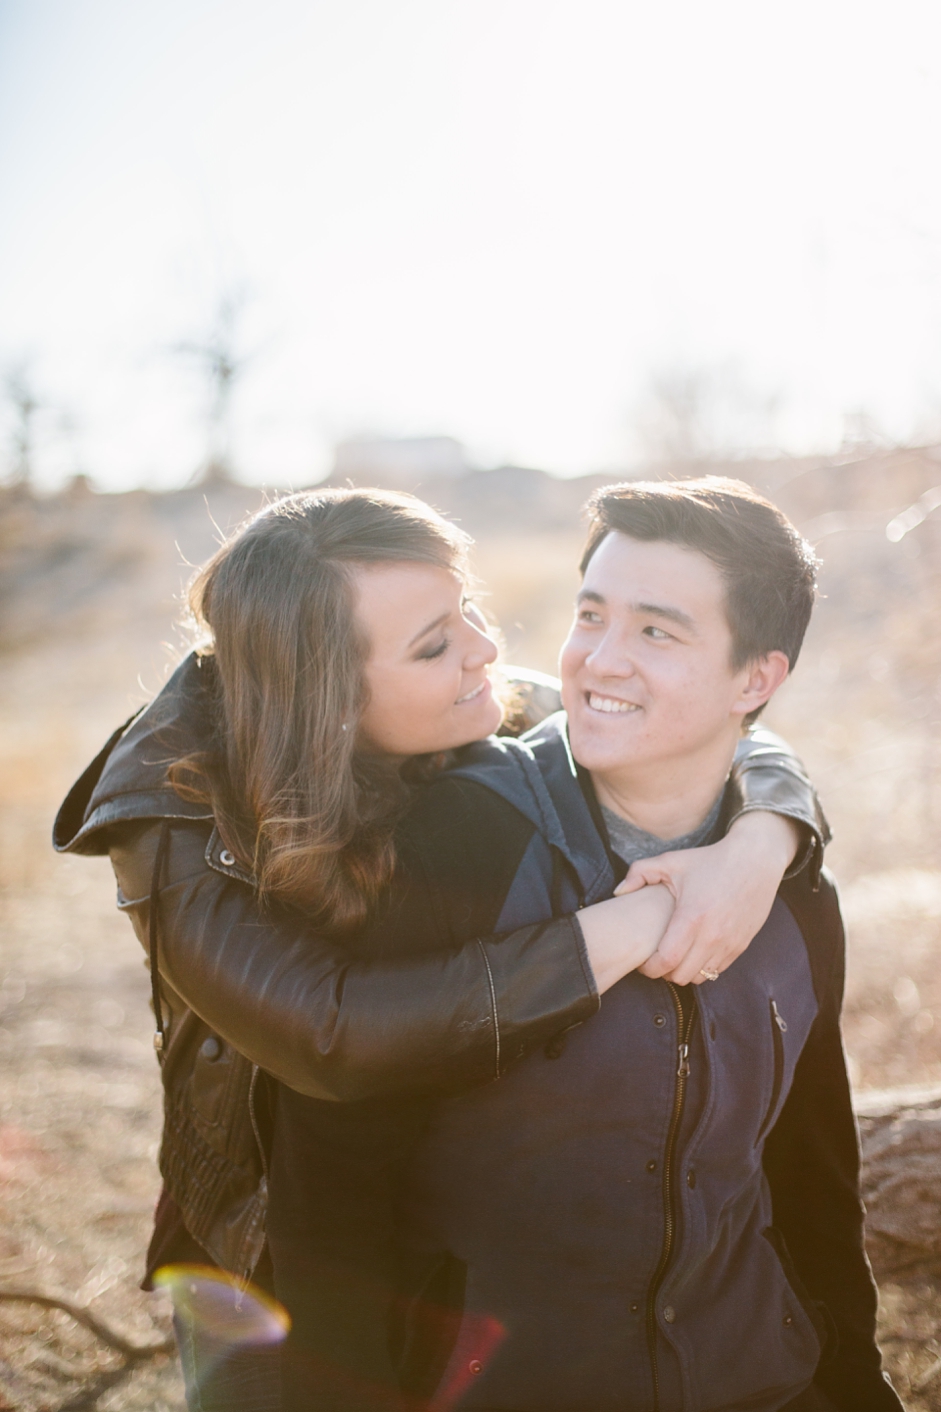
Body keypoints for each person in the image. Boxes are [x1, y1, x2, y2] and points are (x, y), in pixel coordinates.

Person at [53, 487, 829, 1411]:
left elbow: (698, 713)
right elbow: (331, 1039)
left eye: (467, 610)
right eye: (434, 643)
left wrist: (765, 835)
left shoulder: (466, 702)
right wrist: (621, 929)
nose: (488, 651)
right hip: (257, 1242)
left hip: (405, 1242)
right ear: (330, 695)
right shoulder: (173, 817)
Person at [272, 477, 896, 1412]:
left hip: (757, 1383)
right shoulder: (457, 844)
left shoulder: (791, 889)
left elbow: (810, 1170)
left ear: (755, 679)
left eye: (656, 631)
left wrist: (848, 1377)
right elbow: (332, 1183)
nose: (599, 660)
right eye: (590, 615)